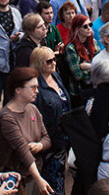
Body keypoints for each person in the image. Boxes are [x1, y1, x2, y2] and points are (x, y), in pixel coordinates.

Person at [0, 67, 52, 195]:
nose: (37, 91)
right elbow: (22, 150)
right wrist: (39, 179)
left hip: (33, 175)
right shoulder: (7, 118)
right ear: (18, 90)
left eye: (37, 87)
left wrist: (40, 145)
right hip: (16, 181)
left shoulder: (33, 109)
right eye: (32, 87)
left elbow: (46, 138)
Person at [30, 47, 70, 195]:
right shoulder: (36, 87)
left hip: (62, 139)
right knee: (51, 183)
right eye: (49, 61)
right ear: (39, 64)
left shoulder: (55, 76)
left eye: (54, 59)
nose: (54, 63)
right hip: (49, 144)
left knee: (60, 178)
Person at [64, 14, 100, 101]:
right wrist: (96, 70)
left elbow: (102, 65)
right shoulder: (71, 48)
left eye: (90, 25)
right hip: (80, 93)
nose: (89, 28)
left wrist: (89, 67)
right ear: (77, 29)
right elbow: (78, 75)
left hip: (95, 87)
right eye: (85, 26)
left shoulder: (93, 42)